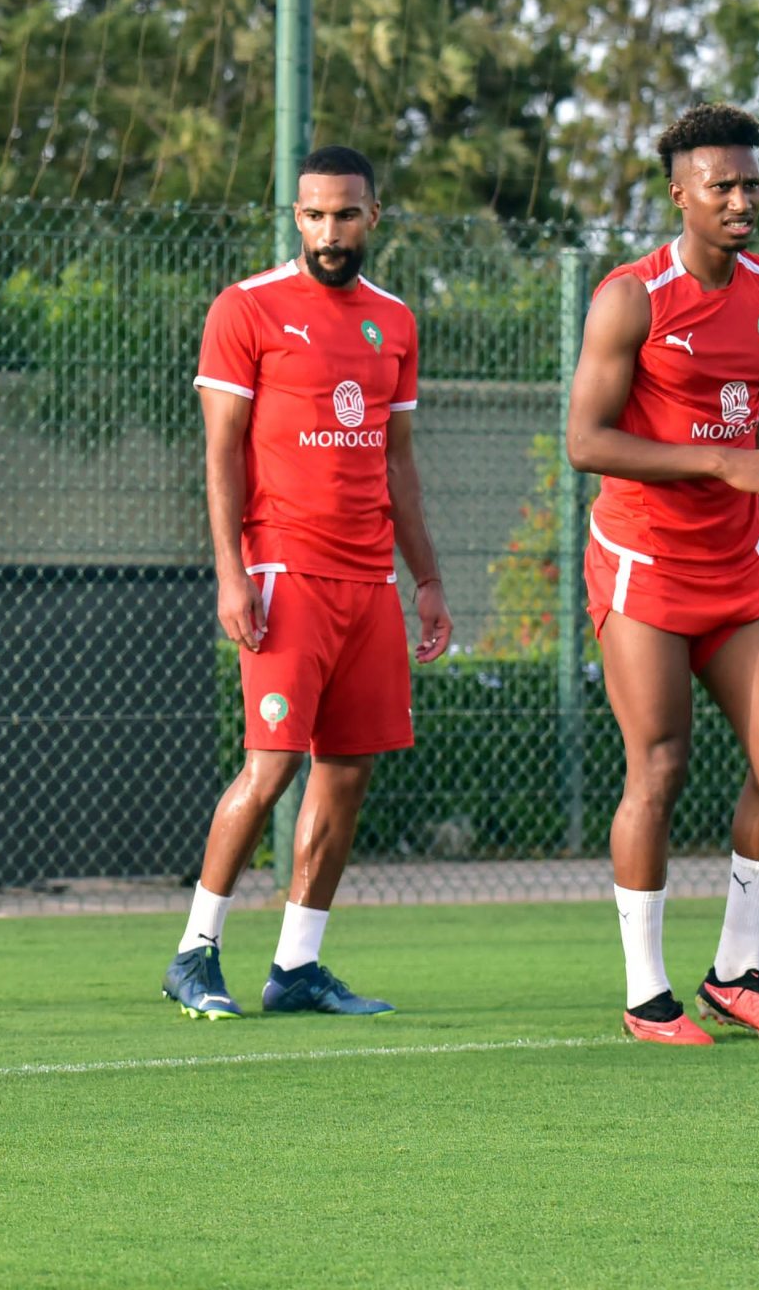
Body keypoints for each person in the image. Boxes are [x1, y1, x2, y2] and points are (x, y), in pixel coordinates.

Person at [164, 145, 452, 1020]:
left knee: (347, 773)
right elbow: (221, 453)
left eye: (347, 214)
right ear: (297, 217)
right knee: (273, 764)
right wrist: (231, 572)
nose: (331, 231)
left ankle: (296, 966)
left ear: (374, 216)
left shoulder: (394, 321)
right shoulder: (245, 307)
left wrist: (427, 579)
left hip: (370, 582)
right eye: (316, 215)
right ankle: (194, 952)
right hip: (283, 568)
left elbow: (399, 463)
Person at [568, 103, 759, 1045]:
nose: (741, 200)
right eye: (722, 186)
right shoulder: (632, 297)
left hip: (740, 569)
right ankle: (647, 996)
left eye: (752, 183)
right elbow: (586, 441)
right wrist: (721, 464)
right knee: (661, 766)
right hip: (644, 565)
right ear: (680, 194)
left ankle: (735, 975)